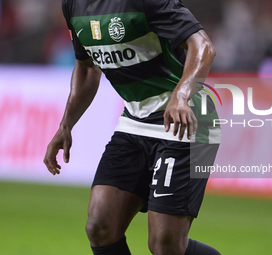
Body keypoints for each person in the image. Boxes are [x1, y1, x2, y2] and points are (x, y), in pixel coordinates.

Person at [44, 0, 221, 254]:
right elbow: (86, 67)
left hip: (186, 120)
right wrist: (66, 125)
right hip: (135, 121)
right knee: (99, 226)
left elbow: (203, 45)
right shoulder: (73, 4)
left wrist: (181, 95)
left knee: (165, 244)